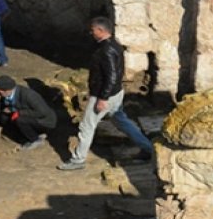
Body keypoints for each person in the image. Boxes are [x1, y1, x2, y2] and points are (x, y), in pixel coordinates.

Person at [57, 17, 154, 171]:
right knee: (122, 122)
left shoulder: (106, 50)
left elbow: (112, 76)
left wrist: (102, 98)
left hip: (104, 95)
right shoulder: (114, 45)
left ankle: (78, 159)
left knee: (87, 126)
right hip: (116, 93)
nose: (91, 33)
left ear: (101, 31)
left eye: (93, 30)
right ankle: (148, 148)